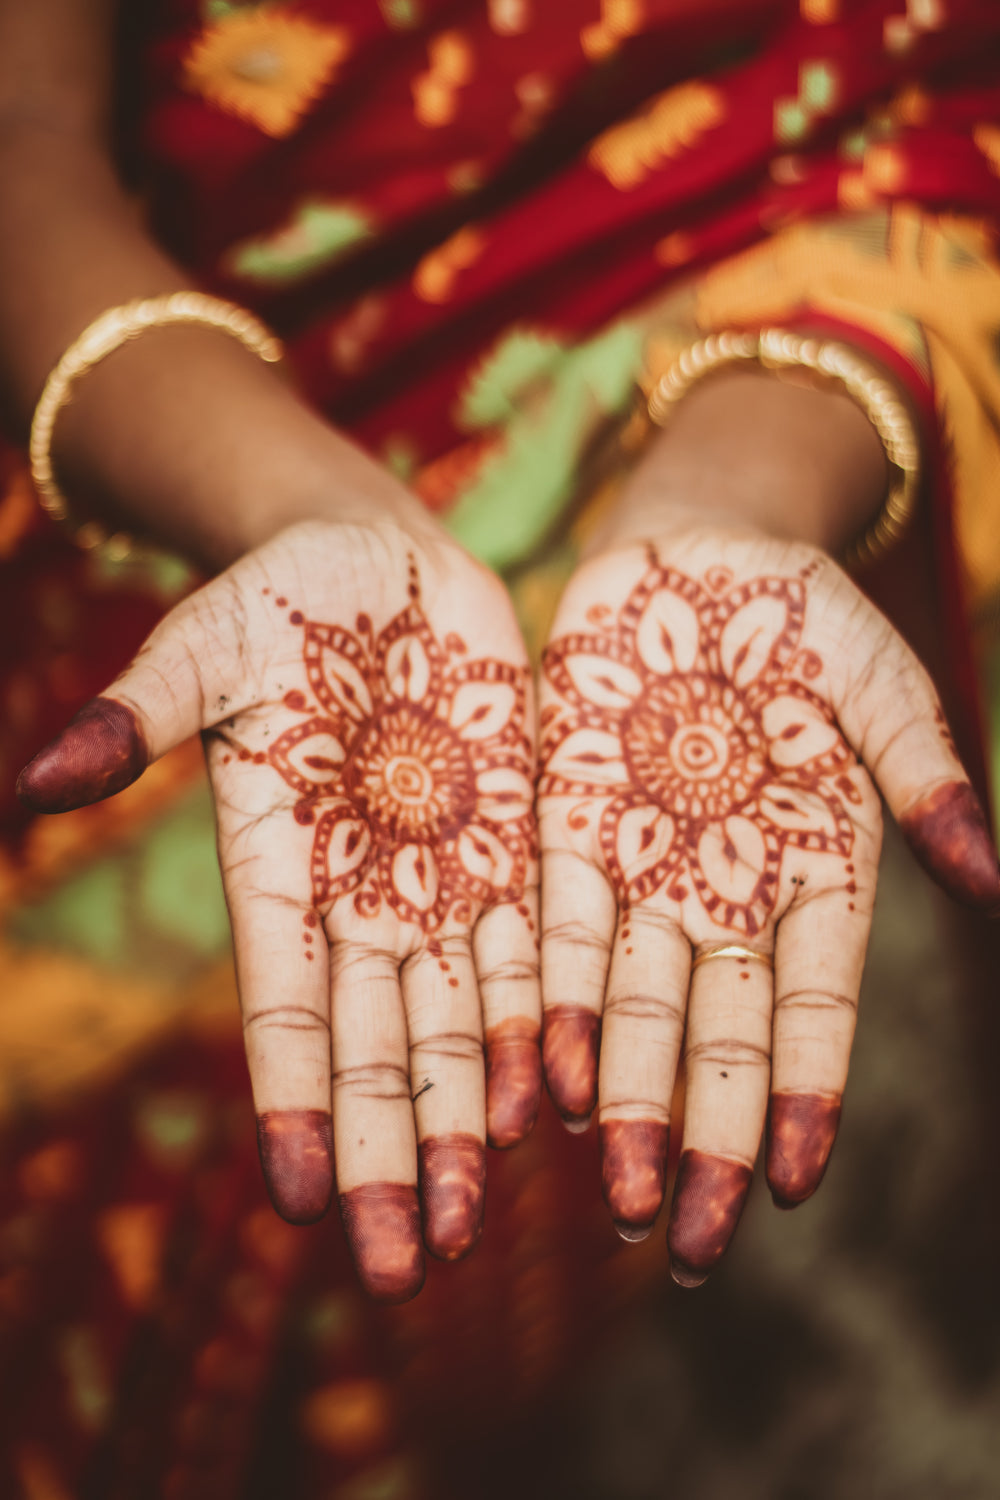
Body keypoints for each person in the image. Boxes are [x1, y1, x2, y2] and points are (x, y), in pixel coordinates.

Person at [1, 0, 999, 1493]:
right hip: (166, 540)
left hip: (665, 558)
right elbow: (26, 142)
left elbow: (929, 136)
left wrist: (738, 497)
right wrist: (294, 512)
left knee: (540, 1166)